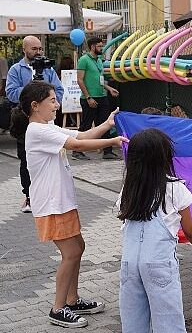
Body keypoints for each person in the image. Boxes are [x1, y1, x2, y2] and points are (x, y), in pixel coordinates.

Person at [11, 81, 127, 328]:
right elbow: (75, 145)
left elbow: (81, 136)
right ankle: (58, 308)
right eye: (52, 100)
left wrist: (106, 125)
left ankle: (72, 300)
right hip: (52, 204)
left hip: (62, 202)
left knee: (78, 247)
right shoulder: (37, 130)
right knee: (71, 253)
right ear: (35, 105)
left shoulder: (48, 127)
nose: (57, 104)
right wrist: (113, 141)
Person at [117, 128, 192, 333]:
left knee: (132, 320)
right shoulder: (175, 188)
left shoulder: (128, 189)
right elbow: (190, 230)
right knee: (168, 321)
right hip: (159, 264)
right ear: (163, 158)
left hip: (129, 264)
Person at [6, 36, 64, 213]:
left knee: (51, 158)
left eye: (40, 49)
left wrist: (51, 102)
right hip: (25, 121)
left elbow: (59, 90)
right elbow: (10, 92)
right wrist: (32, 91)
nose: (38, 52)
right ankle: (29, 195)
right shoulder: (16, 70)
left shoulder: (48, 69)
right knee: (26, 159)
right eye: (34, 49)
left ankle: (49, 193)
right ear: (24, 49)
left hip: (47, 121)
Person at [72, 37, 120, 161]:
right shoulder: (84, 60)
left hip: (102, 96)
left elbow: (99, 80)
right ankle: (76, 150)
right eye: (99, 46)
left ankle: (107, 151)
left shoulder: (99, 60)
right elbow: (80, 80)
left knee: (105, 124)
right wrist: (88, 97)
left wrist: (109, 88)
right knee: (86, 124)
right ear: (92, 47)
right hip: (89, 98)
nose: (102, 48)